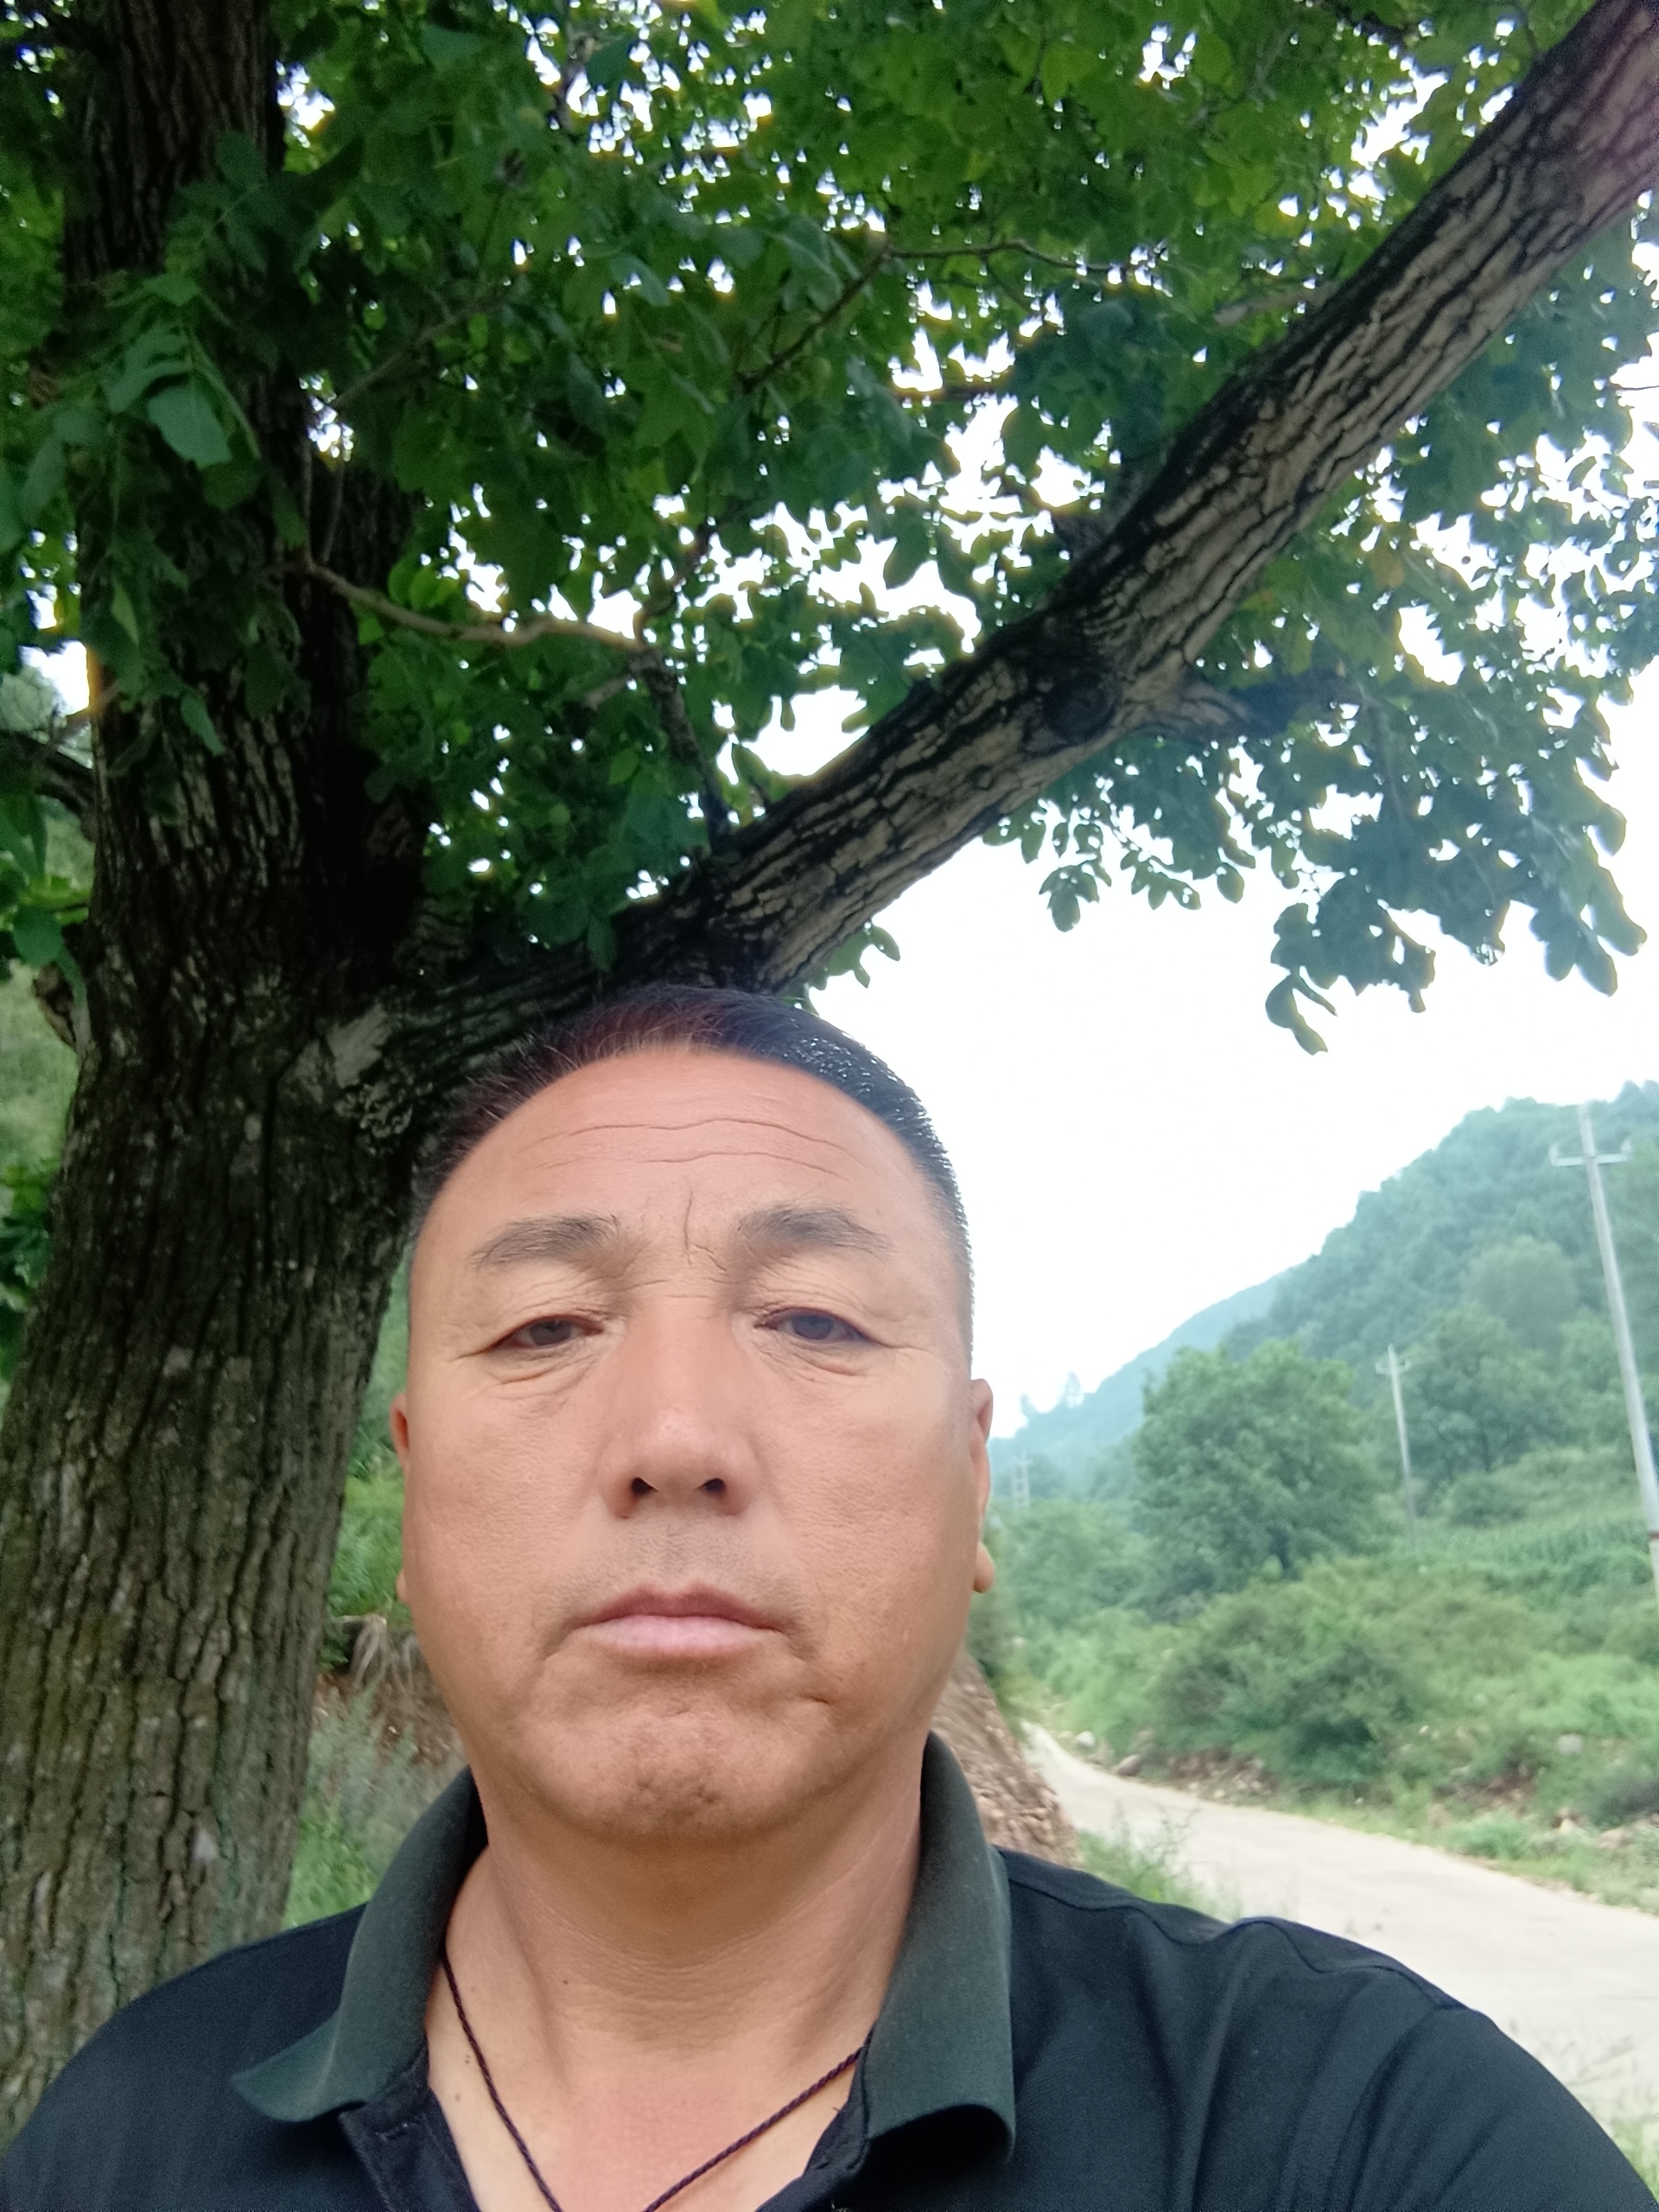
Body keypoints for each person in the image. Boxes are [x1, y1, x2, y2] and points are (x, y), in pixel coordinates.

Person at [3, 985, 1650, 2212]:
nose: (674, 1440)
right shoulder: (120, 2145)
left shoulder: (1362, 2142)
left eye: (814, 1320)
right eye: (544, 1327)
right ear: (416, 1493)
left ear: (975, 1482)